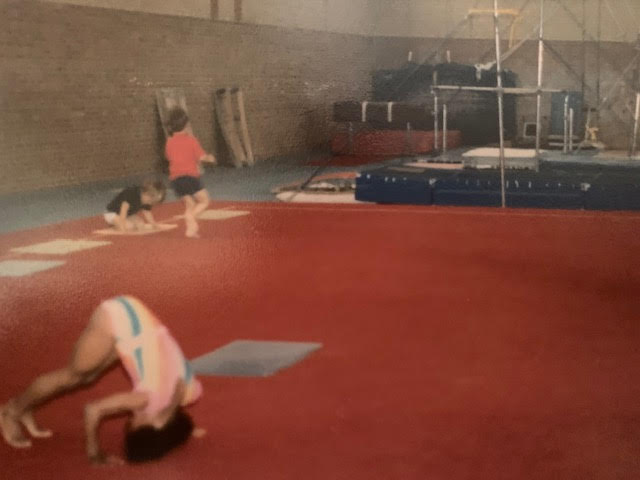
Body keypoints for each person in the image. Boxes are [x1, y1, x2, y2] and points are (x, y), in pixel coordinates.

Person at [0, 296, 204, 465]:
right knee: (73, 376)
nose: (131, 419)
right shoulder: (145, 400)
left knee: (88, 377)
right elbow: (92, 410)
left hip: (140, 323)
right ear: (154, 423)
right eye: (134, 423)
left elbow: (171, 412)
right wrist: (94, 453)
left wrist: (181, 432)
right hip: (119, 318)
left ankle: (26, 407)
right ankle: (11, 411)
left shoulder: (189, 392)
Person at [165, 108, 216, 238]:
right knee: (204, 201)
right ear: (186, 125)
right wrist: (211, 158)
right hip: (190, 177)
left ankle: (191, 229)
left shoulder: (169, 142)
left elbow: (169, 157)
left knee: (190, 204)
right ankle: (190, 217)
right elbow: (202, 157)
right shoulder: (191, 140)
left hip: (175, 180)